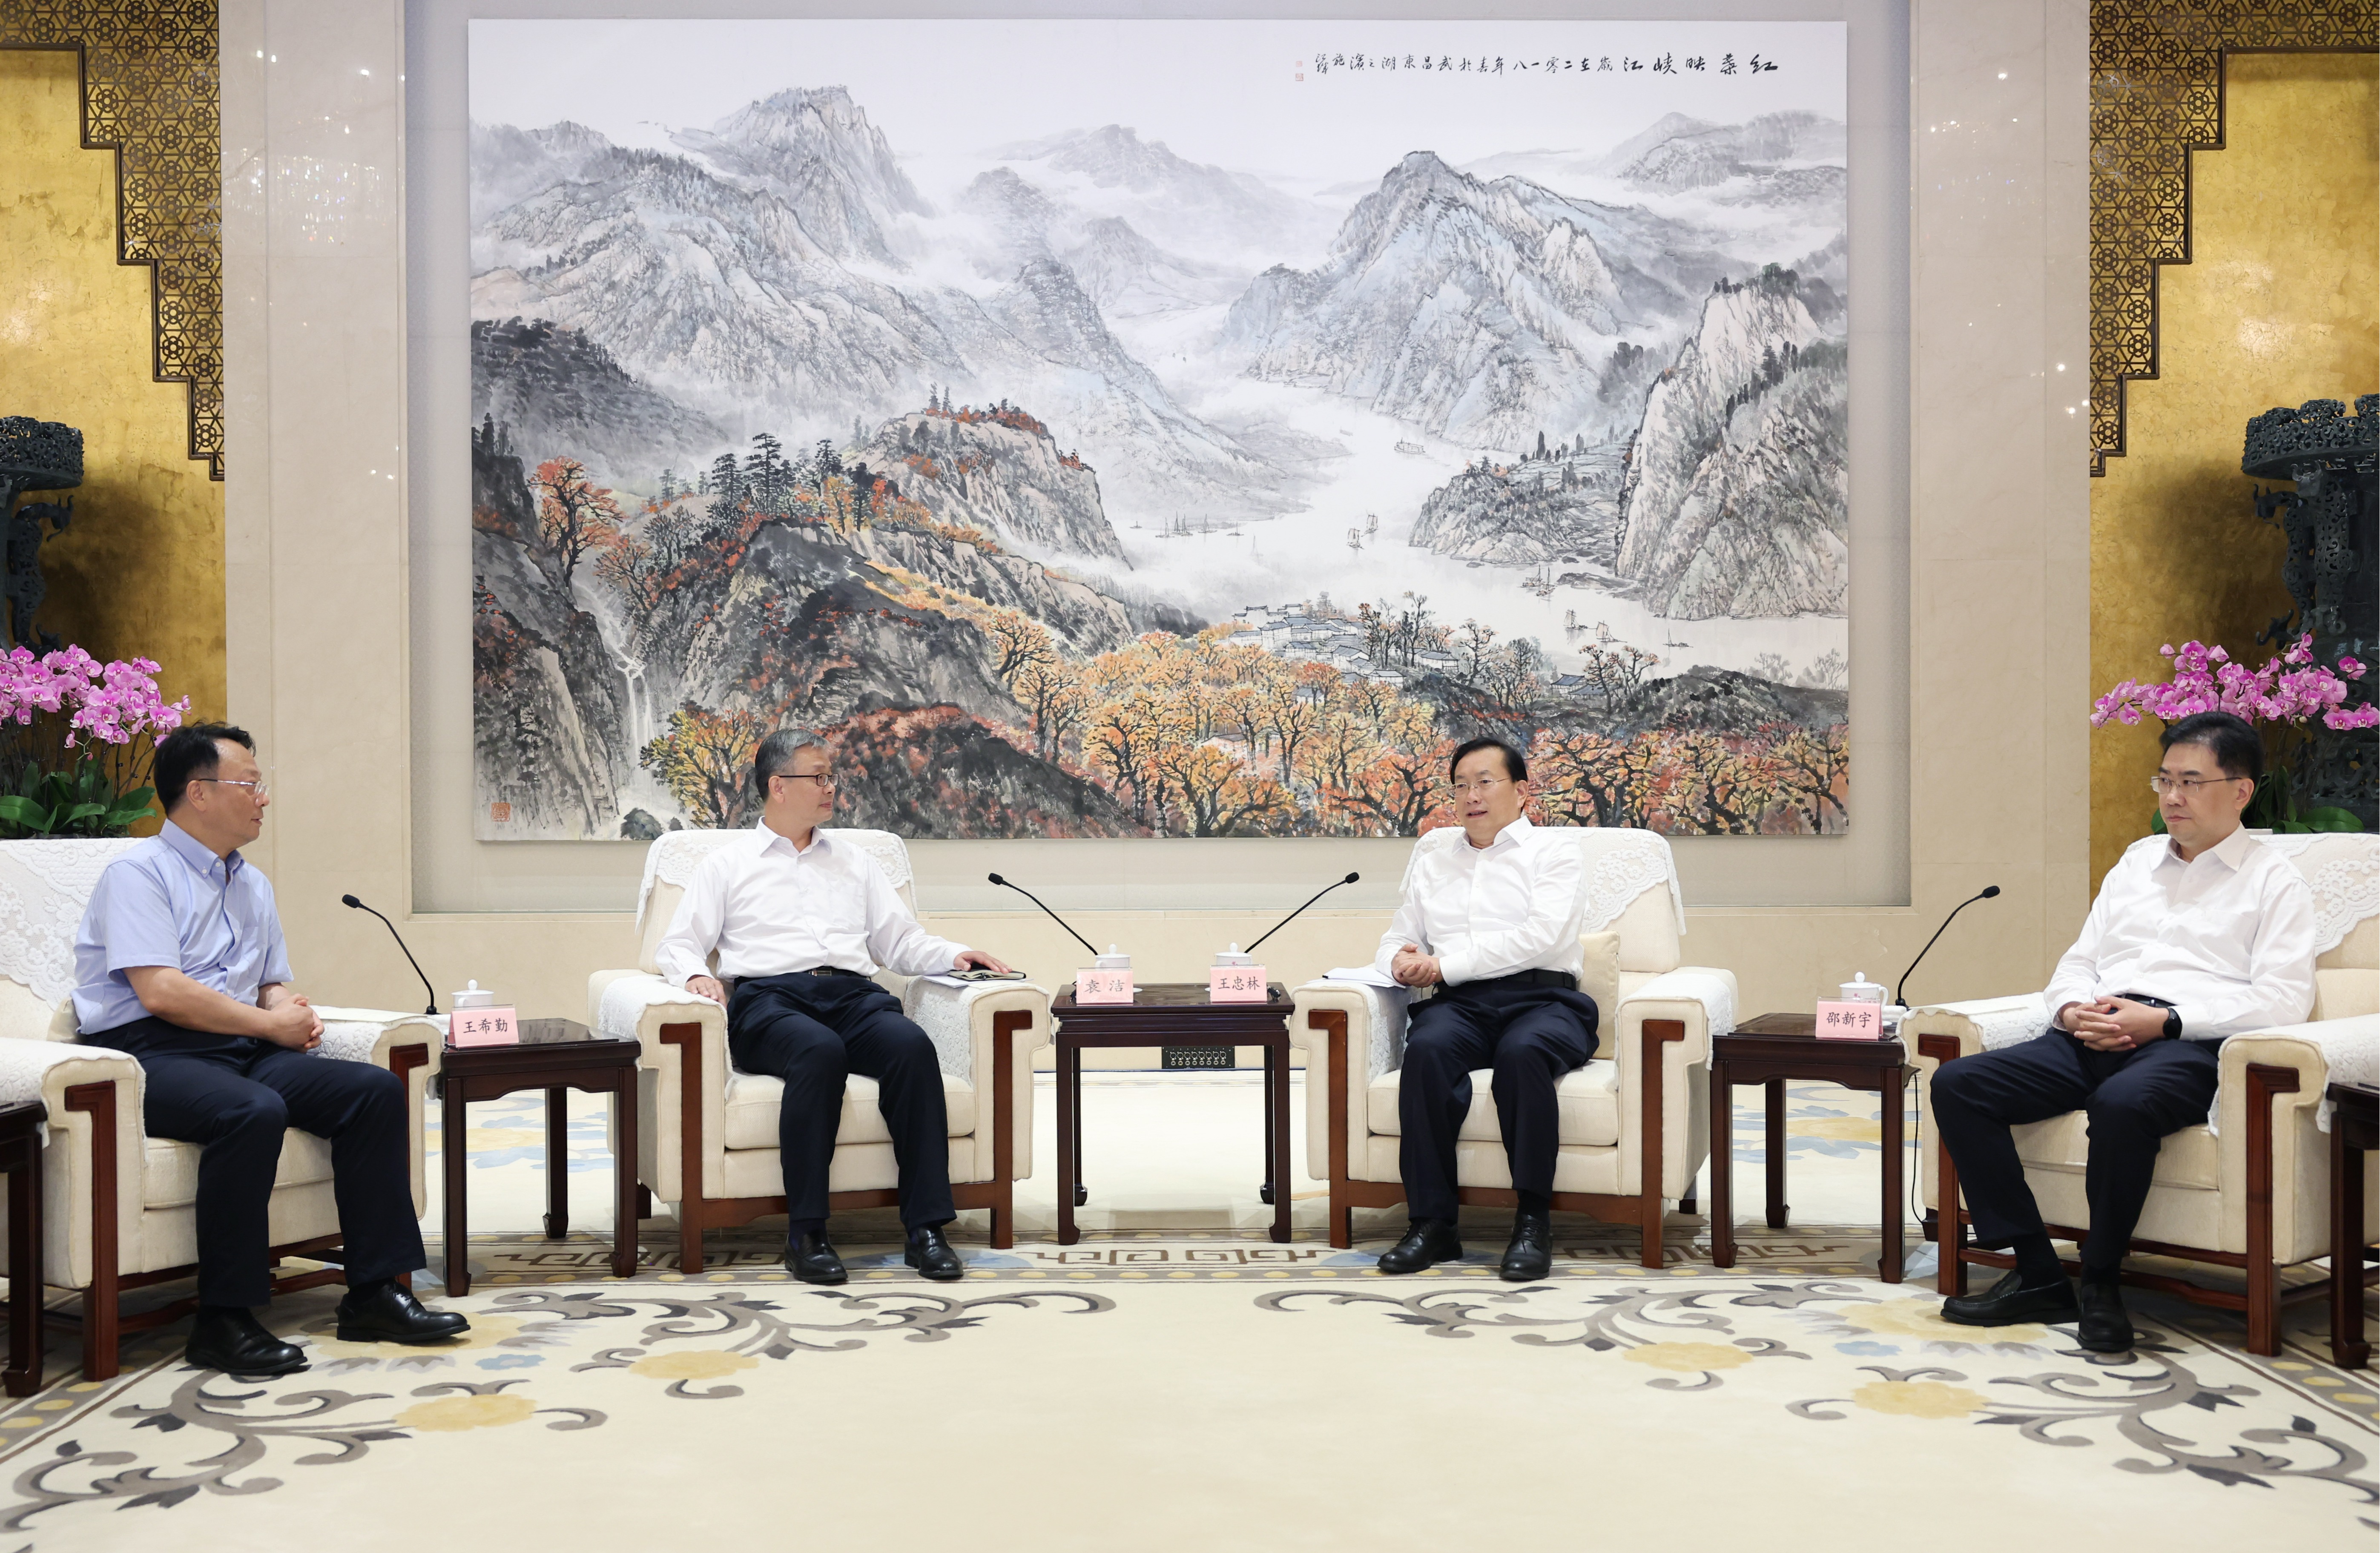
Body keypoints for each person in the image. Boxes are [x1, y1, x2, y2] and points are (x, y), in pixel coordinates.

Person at [72, 724, 467, 1376]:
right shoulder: (138, 875)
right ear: (198, 792)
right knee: (250, 1110)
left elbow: (269, 980)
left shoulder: (251, 883)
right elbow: (162, 990)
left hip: (236, 1047)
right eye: (250, 783)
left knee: (372, 1091)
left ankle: (374, 1293)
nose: (263, 797)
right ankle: (223, 1320)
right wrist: (268, 1023)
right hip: (149, 1055)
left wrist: (289, 1009)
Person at [1931, 711, 2317, 1352]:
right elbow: (2079, 960)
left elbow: (2283, 999)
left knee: (2121, 1105)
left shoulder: (2274, 881)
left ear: (2241, 790)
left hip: (2185, 1046)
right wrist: (2070, 1010)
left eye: (2191, 781)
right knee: (1960, 1083)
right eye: (2165, 779)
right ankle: (2037, 1270)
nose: (2173, 796)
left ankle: (2102, 1282)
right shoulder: (2137, 862)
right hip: (2093, 1030)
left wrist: (2166, 1020)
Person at [655, 729, 1015, 1286]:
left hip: (852, 994)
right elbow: (678, 944)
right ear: (778, 785)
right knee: (818, 1052)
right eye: (818, 777)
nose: (831, 787)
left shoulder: (855, 861)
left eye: (832, 776)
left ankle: (926, 1230)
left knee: (911, 1047)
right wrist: (698, 974)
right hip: (769, 1000)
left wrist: (955, 955)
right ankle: (807, 1234)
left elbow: (899, 941)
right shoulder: (727, 865)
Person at [1372, 738, 1594, 1281]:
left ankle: (1533, 1221)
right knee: (1426, 1049)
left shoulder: (1555, 853)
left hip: (1545, 999)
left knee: (1523, 1053)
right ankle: (1432, 1224)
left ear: (1521, 791)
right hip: (1462, 1004)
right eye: (1460, 785)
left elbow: (1541, 938)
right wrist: (1398, 962)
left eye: (1485, 782)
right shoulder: (1434, 861)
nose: (1471, 795)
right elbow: (1399, 936)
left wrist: (1443, 965)